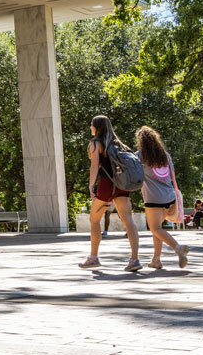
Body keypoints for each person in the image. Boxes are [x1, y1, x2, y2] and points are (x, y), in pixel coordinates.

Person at [80, 115, 141, 271]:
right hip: (122, 185)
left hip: (107, 184)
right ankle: (134, 260)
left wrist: (91, 185)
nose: (90, 128)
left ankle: (93, 258)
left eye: (92, 125)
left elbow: (94, 167)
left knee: (94, 220)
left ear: (97, 127)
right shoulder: (120, 144)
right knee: (128, 221)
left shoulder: (95, 144)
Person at [134, 126, 190, 270]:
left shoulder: (139, 156)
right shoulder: (165, 155)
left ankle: (178, 248)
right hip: (170, 197)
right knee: (158, 229)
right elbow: (172, 174)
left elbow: (132, 173)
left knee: (155, 228)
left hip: (153, 198)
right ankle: (156, 260)